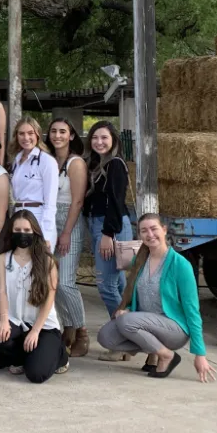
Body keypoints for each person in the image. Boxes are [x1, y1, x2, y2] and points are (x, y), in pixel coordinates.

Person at [97, 214, 217, 382]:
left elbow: (192, 311)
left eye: (154, 229)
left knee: (126, 322)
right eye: (144, 231)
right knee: (105, 336)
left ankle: (166, 355)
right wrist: (128, 310)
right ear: (139, 235)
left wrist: (200, 354)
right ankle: (155, 348)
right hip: (147, 324)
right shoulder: (139, 261)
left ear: (164, 230)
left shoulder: (180, 265)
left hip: (174, 328)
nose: (150, 234)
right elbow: (141, 298)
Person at [0, 211, 69, 383]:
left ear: (35, 232)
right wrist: (4, 320)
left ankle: (59, 353)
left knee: (36, 375)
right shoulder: (3, 259)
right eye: (17, 229)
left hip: (43, 326)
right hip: (15, 320)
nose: (22, 234)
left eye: (27, 230)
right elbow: (2, 291)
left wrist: (35, 331)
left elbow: (49, 298)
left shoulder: (47, 260)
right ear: (11, 232)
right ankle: (20, 357)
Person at [85, 120, 134, 360]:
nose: (99, 142)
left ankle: (122, 341)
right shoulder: (98, 164)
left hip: (111, 226)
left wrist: (107, 234)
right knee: (120, 286)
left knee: (106, 286)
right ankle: (131, 338)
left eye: (104, 137)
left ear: (113, 139)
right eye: (95, 137)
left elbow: (116, 201)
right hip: (104, 225)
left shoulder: (115, 164)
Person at [49, 117, 90, 357]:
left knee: (65, 281)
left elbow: (77, 200)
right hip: (48, 220)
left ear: (72, 135)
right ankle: (68, 327)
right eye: (53, 131)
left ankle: (82, 331)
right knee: (52, 282)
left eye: (63, 131)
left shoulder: (76, 163)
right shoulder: (49, 160)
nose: (58, 135)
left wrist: (65, 232)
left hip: (69, 220)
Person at [9, 116, 59, 249]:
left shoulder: (47, 161)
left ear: (37, 135)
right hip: (18, 217)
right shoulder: (16, 161)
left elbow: (51, 201)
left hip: (38, 217)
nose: (26, 138)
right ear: (16, 136)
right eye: (21, 133)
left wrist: (46, 234)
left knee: (40, 265)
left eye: (30, 133)